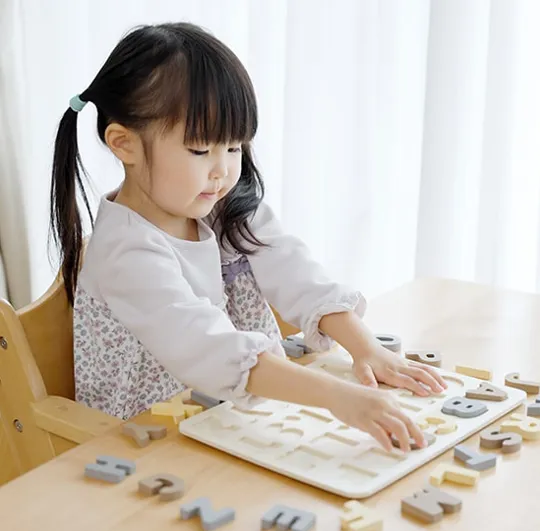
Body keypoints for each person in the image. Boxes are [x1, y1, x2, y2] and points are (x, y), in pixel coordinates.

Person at [49, 22, 446, 452]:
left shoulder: (219, 206)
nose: (223, 171)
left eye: (235, 147)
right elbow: (207, 347)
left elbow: (294, 270)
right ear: (124, 144)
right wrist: (337, 397)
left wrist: (366, 348)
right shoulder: (124, 252)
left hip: (234, 420)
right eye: (201, 150)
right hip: (150, 447)